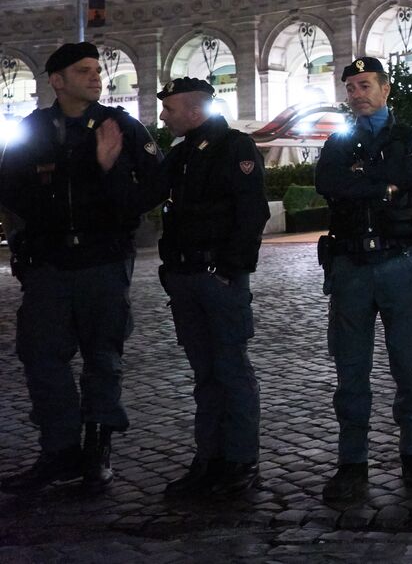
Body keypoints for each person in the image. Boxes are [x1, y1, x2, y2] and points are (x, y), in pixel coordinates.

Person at [0, 42, 164, 493]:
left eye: (97, 70)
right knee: (40, 356)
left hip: (102, 260)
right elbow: (10, 192)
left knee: (102, 357)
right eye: (84, 70)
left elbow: (154, 187)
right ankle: (58, 450)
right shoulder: (31, 129)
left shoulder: (121, 126)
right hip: (49, 263)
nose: (96, 77)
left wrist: (108, 170)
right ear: (57, 80)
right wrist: (27, 244)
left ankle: (97, 449)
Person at [314, 57, 412, 503]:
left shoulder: (410, 138)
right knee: (350, 371)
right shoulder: (338, 141)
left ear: (386, 90)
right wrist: (380, 186)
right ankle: (352, 463)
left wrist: (361, 180)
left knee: (409, 368)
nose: (356, 93)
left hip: (399, 263)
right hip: (350, 267)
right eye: (350, 87)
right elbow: (327, 182)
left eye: (365, 85)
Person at [155, 77, 270, 498]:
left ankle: (241, 462)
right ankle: (209, 460)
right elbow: (149, 192)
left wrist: (230, 267)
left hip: (216, 277)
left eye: (169, 109)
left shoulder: (233, 146)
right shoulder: (181, 152)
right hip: (185, 277)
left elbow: (251, 210)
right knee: (205, 375)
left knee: (231, 370)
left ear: (194, 109)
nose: (163, 117)